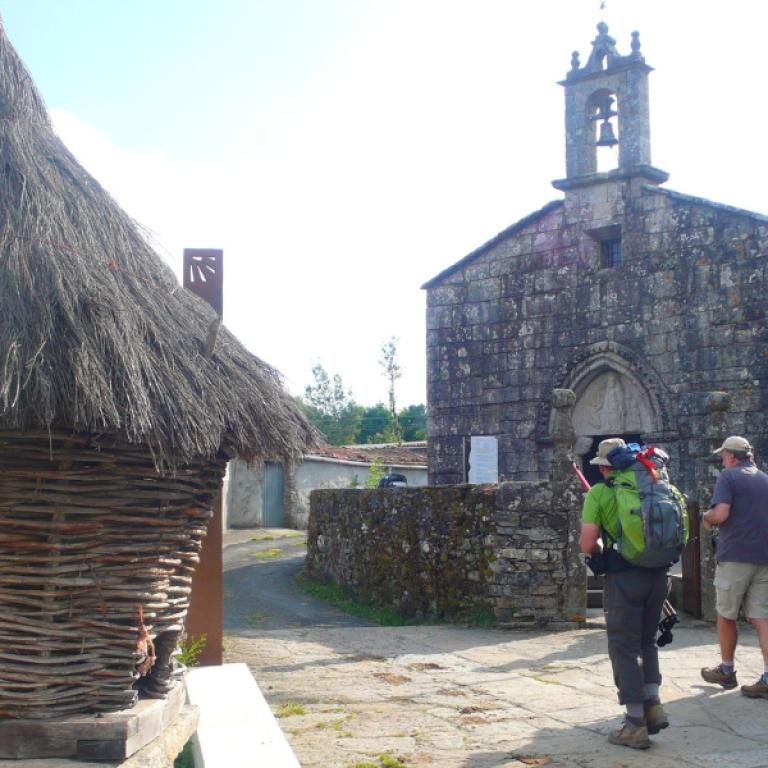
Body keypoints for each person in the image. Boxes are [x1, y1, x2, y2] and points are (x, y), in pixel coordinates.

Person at [580, 437, 671, 750]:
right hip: (660, 576)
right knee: (646, 641)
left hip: (624, 579)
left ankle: (634, 723)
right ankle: (653, 704)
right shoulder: (657, 484)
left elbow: (588, 544)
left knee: (623, 646)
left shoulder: (601, 493)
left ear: (605, 467)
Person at [700, 435, 768, 699]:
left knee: (726, 613)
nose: (721, 460)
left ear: (730, 456)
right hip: (764, 557)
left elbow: (721, 514)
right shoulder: (764, 479)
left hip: (736, 556)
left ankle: (726, 670)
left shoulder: (729, 477)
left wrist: (706, 518)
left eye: (722, 456)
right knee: (762, 617)